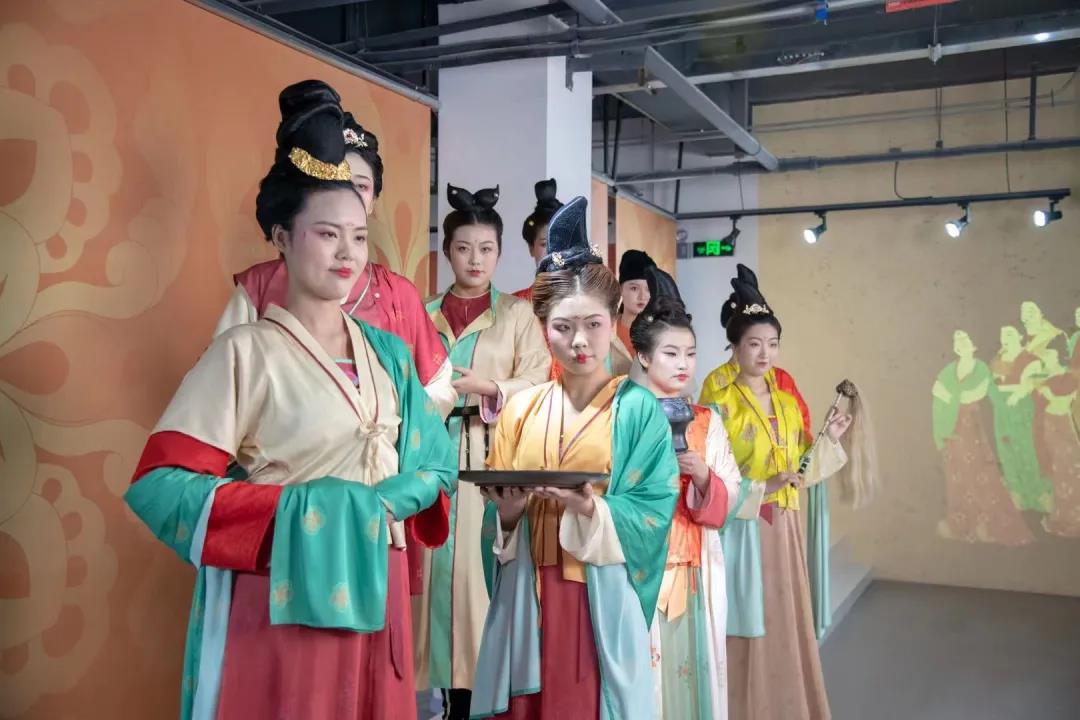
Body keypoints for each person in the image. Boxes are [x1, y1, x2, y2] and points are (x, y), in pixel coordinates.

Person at [123, 80, 457, 720]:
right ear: (281, 236)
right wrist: (298, 512)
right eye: (327, 234)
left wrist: (381, 502)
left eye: (358, 237)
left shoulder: (389, 354)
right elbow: (159, 486)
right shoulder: (244, 353)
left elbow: (436, 464)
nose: (347, 254)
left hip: (379, 580)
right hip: (289, 589)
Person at [469, 196, 680, 719]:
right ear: (543, 324)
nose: (579, 342)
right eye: (562, 327)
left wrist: (591, 509)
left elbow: (655, 510)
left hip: (596, 599)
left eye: (593, 324)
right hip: (528, 596)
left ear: (615, 318)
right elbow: (499, 516)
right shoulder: (520, 409)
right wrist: (509, 515)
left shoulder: (638, 410)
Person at [213, 99, 455, 418]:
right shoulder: (260, 286)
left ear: (374, 200)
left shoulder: (399, 295)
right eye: (336, 183)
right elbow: (221, 386)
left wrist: (391, 421)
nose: (347, 197)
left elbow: (439, 385)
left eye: (361, 187)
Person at [416, 184, 551, 719]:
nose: (475, 259)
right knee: (432, 576)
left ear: (500, 253)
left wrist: (491, 388)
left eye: (487, 249)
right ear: (447, 251)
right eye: (464, 248)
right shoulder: (423, 312)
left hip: (488, 455)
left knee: (479, 576)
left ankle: (482, 697)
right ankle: (440, 698)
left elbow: (539, 380)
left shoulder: (516, 315)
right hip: (430, 455)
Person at [707, 269, 858, 720]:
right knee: (745, 618)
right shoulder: (719, 397)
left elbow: (800, 471)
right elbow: (712, 470)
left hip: (784, 524)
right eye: (754, 344)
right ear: (735, 346)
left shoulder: (787, 401)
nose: (764, 354)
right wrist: (761, 487)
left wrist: (829, 439)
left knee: (784, 619)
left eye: (772, 344)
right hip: (744, 525)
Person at [630, 267, 755, 720]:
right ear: (643, 357)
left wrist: (704, 477)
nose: (683, 364)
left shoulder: (707, 420)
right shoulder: (621, 414)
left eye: (690, 353)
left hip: (697, 565)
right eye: (670, 353)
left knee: (695, 676)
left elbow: (732, 492)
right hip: (637, 570)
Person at [932, 330, 1034, 546]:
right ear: (954, 348)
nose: (961, 343)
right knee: (957, 476)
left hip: (971, 430)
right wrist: (942, 426)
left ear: (973, 346)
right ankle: (962, 523)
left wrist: (951, 395)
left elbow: (979, 396)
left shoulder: (981, 369)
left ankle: (987, 524)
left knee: (980, 475)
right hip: (951, 430)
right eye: (957, 341)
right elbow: (938, 396)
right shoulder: (948, 371)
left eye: (965, 340)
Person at [513, 178, 563, 301]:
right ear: (531, 248)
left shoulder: (588, 303)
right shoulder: (514, 304)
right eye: (544, 244)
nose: (553, 253)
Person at [612, 249, 655, 375]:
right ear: (620, 289)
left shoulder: (661, 332)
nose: (642, 296)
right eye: (634, 288)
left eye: (648, 289)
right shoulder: (607, 329)